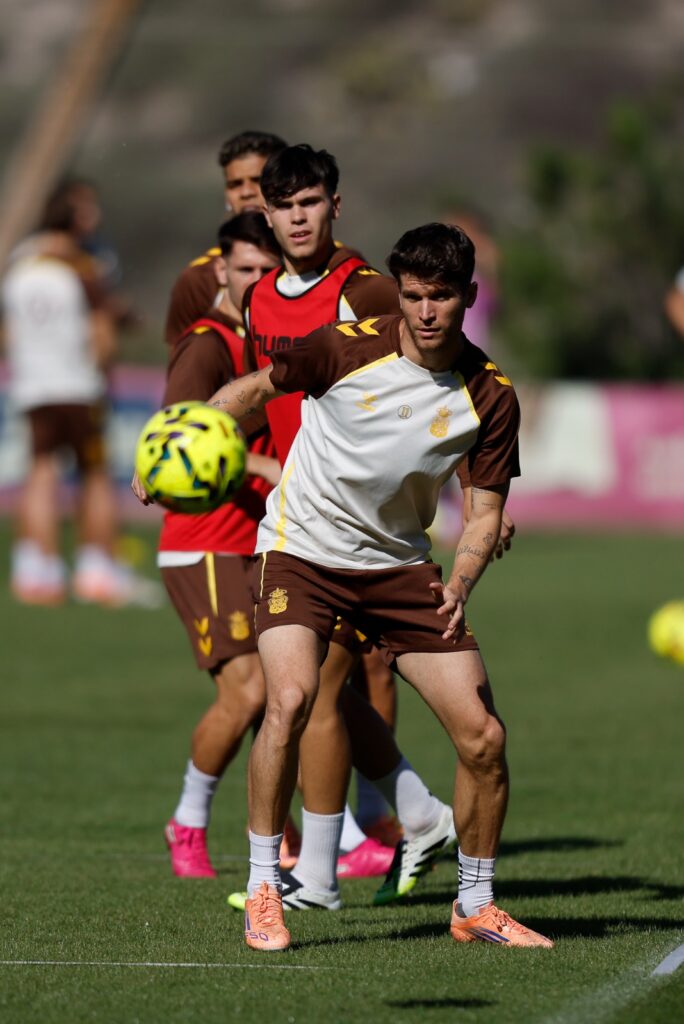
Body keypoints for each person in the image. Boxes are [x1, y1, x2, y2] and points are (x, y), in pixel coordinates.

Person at [209, 221, 554, 951]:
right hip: (301, 553)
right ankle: (266, 888)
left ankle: (475, 904)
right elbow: (255, 390)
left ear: (469, 297)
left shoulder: (490, 395)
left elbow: (485, 512)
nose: (426, 312)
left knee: (484, 737)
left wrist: (462, 579)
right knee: (291, 700)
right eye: (414, 295)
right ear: (398, 293)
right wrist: (179, 438)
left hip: (398, 569)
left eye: (442, 296)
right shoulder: (342, 347)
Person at [225, 146, 457, 906]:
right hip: (297, 519)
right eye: (284, 205)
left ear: (335, 205)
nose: (299, 217)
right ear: (265, 214)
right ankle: (414, 816)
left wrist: (479, 493)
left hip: (360, 526)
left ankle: (326, 872)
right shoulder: (260, 299)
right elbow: (269, 396)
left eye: (311, 202)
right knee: (323, 691)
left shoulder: (367, 291)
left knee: (315, 691)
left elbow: (440, 384)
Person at [159, 212, 283, 877]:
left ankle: (294, 836)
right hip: (203, 540)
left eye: (268, 269)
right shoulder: (208, 345)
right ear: (222, 272)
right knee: (248, 693)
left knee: (286, 692)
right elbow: (171, 446)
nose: (256, 280)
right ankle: (187, 822)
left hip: (255, 539)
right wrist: (263, 467)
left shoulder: (271, 338)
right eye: (245, 269)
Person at [2, 187, 159, 607]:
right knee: (94, 474)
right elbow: (104, 325)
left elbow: (8, 330)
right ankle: (97, 569)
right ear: (72, 216)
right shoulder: (81, 264)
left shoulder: (21, 260)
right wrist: (114, 345)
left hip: (33, 384)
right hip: (77, 383)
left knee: (40, 470)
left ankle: (39, 569)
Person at [164, 131, 287, 346]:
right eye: (235, 184)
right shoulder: (199, 281)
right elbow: (184, 361)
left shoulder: (331, 268)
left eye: (258, 180)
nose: (246, 192)